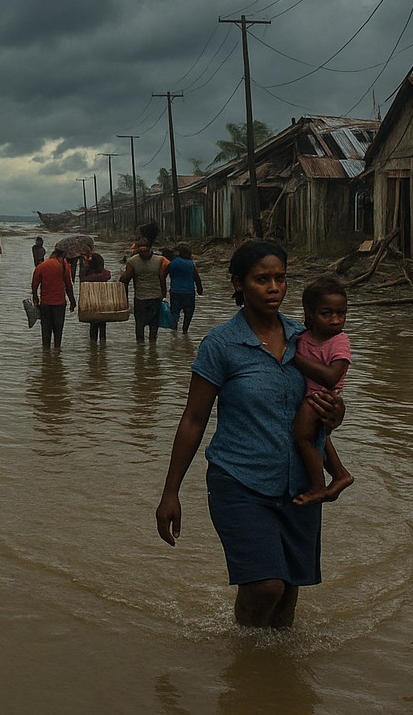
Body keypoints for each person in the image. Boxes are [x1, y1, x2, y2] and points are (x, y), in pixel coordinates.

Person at [154, 239, 346, 629]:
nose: (274, 288)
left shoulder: (304, 340)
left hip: (298, 488)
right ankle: (241, 656)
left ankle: (271, 681)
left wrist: (336, 415)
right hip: (239, 481)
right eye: (262, 279)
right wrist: (170, 491)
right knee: (265, 587)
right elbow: (193, 419)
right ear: (239, 284)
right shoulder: (221, 345)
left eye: (281, 278)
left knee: (288, 600)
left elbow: (313, 412)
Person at [290, 276, 356, 505]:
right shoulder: (302, 336)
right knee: (320, 437)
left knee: (302, 436)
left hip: (320, 397)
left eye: (341, 313)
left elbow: (331, 377)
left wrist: (292, 358)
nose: (336, 320)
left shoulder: (339, 340)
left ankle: (318, 485)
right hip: (312, 396)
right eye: (326, 313)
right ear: (309, 313)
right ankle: (340, 475)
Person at [119, 238, 167, 343]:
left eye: (145, 251)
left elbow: (162, 278)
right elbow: (125, 281)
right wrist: (124, 299)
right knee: (140, 326)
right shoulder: (132, 262)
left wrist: (164, 294)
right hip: (140, 298)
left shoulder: (159, 260)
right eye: (140, 252)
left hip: (156, 297)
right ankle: (140, 351)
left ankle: (152, 350)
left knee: (154, 327)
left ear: (150, 249)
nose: (143, 254)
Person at [31, 245, 76, 349]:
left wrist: (35, 298)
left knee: (46, 331)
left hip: (45, 304)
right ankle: (57, 353)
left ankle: (46, 354)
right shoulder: (64, 266)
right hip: (59, 304)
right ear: (62, 254)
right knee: (58, 331)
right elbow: (69, 286)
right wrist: (72, 302)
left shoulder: (41, 266)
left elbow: (34, 285)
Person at [168, 242, 205, 334]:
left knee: (175, 312)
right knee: (188, 313)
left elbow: (164, 273)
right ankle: (185, 331)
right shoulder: (190, 264)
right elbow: (197, 278)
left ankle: (174, 331)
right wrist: (200, 289)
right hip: (189, 292)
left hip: (175, 291)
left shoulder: (173, 263)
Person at [79, 252, 112, 342]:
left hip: (92, 303)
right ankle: (102, 348)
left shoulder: (89, 276)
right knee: (102, 327)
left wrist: (85, 265)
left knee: (93, 327)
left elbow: (82, 278)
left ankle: (93, 349)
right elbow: (107, 273)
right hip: (103, 303)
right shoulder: (105, 274)